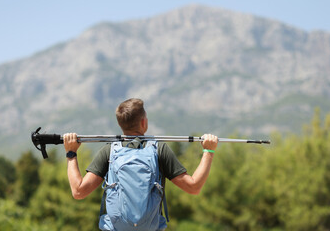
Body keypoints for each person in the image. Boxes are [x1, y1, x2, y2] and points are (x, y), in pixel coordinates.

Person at [63, 98, 218, 229]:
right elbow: (194, 187)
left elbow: (78, 192)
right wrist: (208, 152)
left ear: (120, 124)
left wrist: (71, 154)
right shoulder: (159, 149)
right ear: (144, 122)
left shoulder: (109, 151)